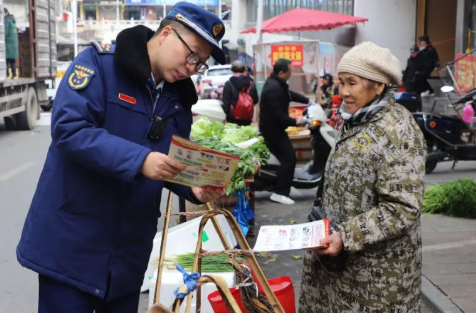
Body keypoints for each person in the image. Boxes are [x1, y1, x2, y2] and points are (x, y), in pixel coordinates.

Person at [17, 2, 226, 312]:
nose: (193, 68)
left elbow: (171, 160)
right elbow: (69, 130)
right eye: (192, 55)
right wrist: (140, 160)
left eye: (201, 64)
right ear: (167, 34)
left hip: (127, 258)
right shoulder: (100, 65)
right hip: (72, 246)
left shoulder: (179, 99)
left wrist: (192, 187)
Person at [299, 42, 426, 312]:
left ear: (378, 85)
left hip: (375, 281)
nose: (342, 92)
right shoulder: (359, 119)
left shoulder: (397, 130)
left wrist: (345, 236)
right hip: (337, 268)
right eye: (340, 82)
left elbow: (402, 208)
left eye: (352, 83)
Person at [259, 58, 310, 205]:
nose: (291, 74)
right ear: (281, 73)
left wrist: (308, 101)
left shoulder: (277, 84)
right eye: (289, 72)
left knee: (287, 159)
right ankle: (280, 193)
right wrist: (297, 121)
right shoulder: (274, 88)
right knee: (289, 159)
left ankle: (280, 189)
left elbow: (290, 95)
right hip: (273, 131)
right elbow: (279, 117)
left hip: (274, 129)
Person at [222, 60, 259, 126]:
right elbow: (255, 100)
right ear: (243, 69)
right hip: (247, 116)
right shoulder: (251, 84)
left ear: (232, 70)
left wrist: (226, 115)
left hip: (232, 117)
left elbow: (226, 102)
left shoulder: (229, 84)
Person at [4, 7, 18, 79]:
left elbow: (5, 33)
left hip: (8, 45)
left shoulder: (7, 21)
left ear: (6, 12)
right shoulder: (13, 21)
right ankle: (14, 75)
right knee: (12, 61)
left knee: (5, 60)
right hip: (14, 46)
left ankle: (6, 75)